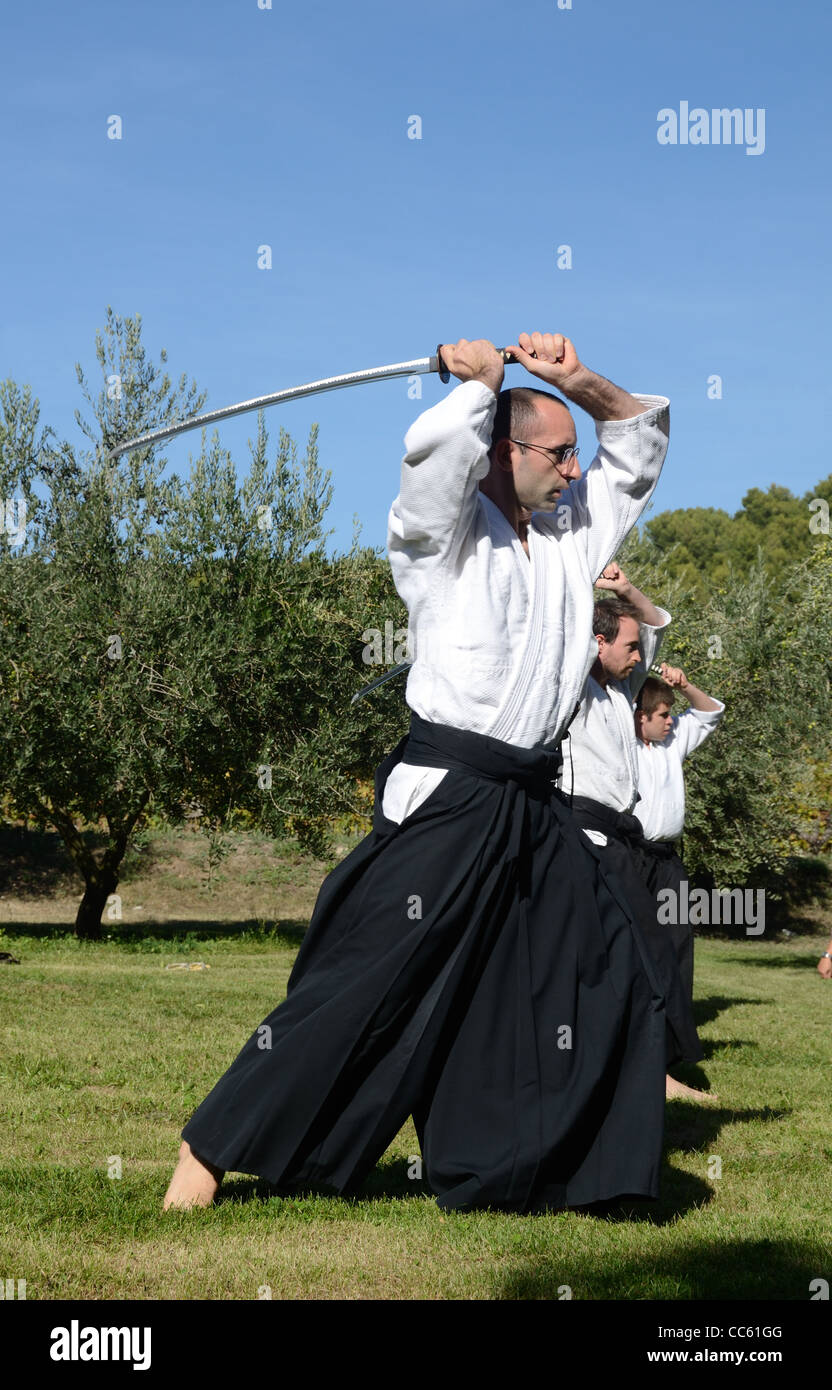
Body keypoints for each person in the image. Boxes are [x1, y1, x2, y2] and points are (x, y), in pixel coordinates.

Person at [164, 331, 672, 1214]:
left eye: (572, 455)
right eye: (557, 452)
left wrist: (576, 381)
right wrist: (477, 388)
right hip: (449, 793)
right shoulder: (442, 538)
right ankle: (207, 1154)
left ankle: (523, 1169)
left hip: (532, 800)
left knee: (595, 968)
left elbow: (635, 446)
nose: (574, 468)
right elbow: (430, 472)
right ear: (503, 452)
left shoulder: (569, 537)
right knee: (370, 978)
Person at [557, 568, 709, 1096]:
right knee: (628, 952)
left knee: (646, 953)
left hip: (616, 835)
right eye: (626, 646)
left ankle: (651, 1069)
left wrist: (623, 590)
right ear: (596, 642)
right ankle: (637, 1072)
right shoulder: (572, 680)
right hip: (581, 831)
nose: (638, 656)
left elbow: (654, 623)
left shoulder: (622, 692)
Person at [634, 666, 725, 1098]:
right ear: (640, 717)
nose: (672, 720)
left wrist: (683, 685)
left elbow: (709, 713)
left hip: (667, 864)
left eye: (672, 714)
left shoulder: (672, 743)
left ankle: (668, 1061)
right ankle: (635, 1059)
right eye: (665, 714)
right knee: (633, 955)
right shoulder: (618, 745)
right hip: (629, 859)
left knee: (675, 951)